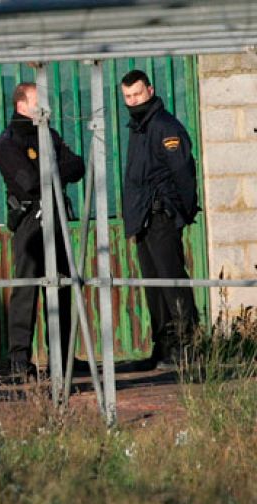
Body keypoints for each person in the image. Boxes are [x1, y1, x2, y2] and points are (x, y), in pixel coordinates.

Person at [0, 82, 85, 379]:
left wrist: (53, 170)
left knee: (61, 283)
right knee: (26, 287)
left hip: (56, 213)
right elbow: (30, 181)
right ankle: (19, 360)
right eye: (38, 101)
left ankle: (62, 357)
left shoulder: (49, 134)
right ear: (22, 105)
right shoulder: (9, 141)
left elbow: (78, 166)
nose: (44, 107)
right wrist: (57, 169)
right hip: (30, 220)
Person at [120, 69, 199, 370]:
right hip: (142, 219)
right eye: (127, 96)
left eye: (137, 94)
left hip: (161, 217)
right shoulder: (138, 127)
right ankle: (164, 347)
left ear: (150, 91)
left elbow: (183, 173)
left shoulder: (165, 126)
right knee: (154, 286)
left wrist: (182, 211)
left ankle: (186, 346)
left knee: (172, 282)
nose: (133, 100)